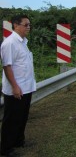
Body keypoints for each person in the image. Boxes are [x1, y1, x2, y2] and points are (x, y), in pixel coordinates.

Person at [0, 15, 36, 156]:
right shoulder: (9, 43)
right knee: (12, 119)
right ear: (16, 25)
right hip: (16, 89)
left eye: (29, 24)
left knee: (22, 116)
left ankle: (19, 141)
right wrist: (15, 86)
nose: (28, 27)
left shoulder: (22, 42)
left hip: (26, 88)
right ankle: (6, 149)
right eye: (26, 24)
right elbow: (7, 66)